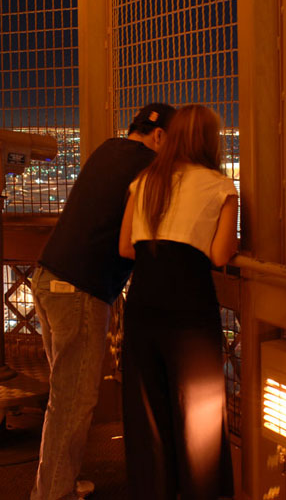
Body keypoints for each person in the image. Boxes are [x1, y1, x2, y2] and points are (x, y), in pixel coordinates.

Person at [31, 102, 175, 500]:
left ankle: (58, 482)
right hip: (80, 290)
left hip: (48, 278)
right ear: (159, 135)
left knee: (64, 399)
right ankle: (53, 495)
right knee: (73, 404)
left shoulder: (106, 150)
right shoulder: (149, 168)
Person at [118, 104, 238, 500]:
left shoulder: (144, 180)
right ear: (209, 140)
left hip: (142, 306)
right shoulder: (220, 187)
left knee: (147, 413)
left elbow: (125, 247)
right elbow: (221, 255)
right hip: (189, 310)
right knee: (198, 417)